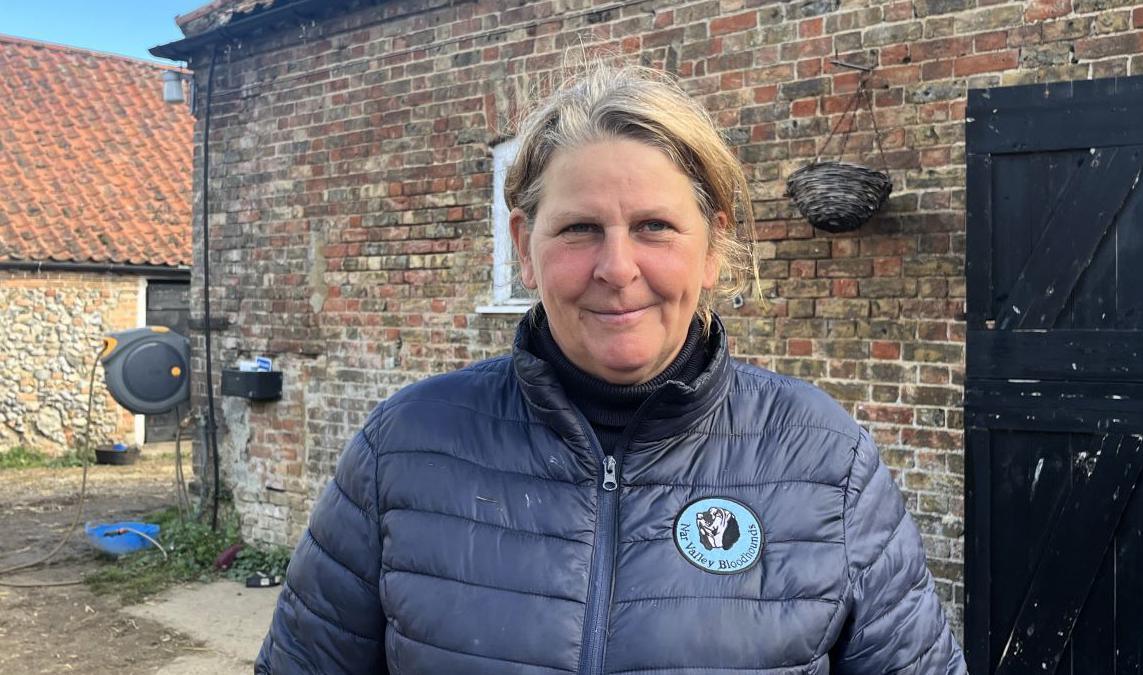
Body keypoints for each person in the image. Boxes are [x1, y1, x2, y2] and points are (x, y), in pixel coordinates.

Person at [256, 62, 967, 674]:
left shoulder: (826, 460)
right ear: (524, 248)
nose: (617, 268)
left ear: (712, 246)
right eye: (579, 228)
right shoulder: (403, 448)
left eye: (655, 226)